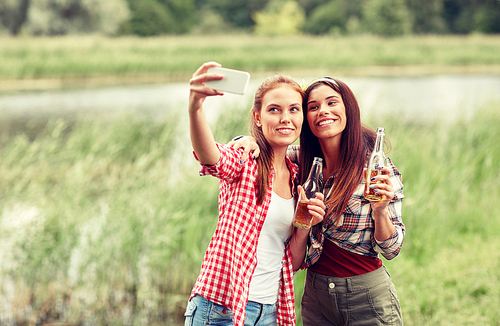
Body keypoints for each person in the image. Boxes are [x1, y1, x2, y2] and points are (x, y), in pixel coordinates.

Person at [231, 77, 405, 326]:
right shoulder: (298, 161)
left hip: (366, 294)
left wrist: (380, 211)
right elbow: (265, 148)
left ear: (348, 110)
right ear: (305, 117)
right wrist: (245, 140)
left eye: (332, 103)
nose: (323, 111)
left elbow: (392, 249)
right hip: (316, 296)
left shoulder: (375, 169)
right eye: (312, 107)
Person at [184, 61, 325, 326]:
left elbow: (291, 263)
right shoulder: (246, 161)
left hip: (270, 311)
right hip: (222, 309)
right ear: (258, 117)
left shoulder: (297, 177)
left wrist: (307, 224)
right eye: (274, 110)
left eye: (294, 109)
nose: (285, 118)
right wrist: (195, 107)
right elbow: (211, 157)